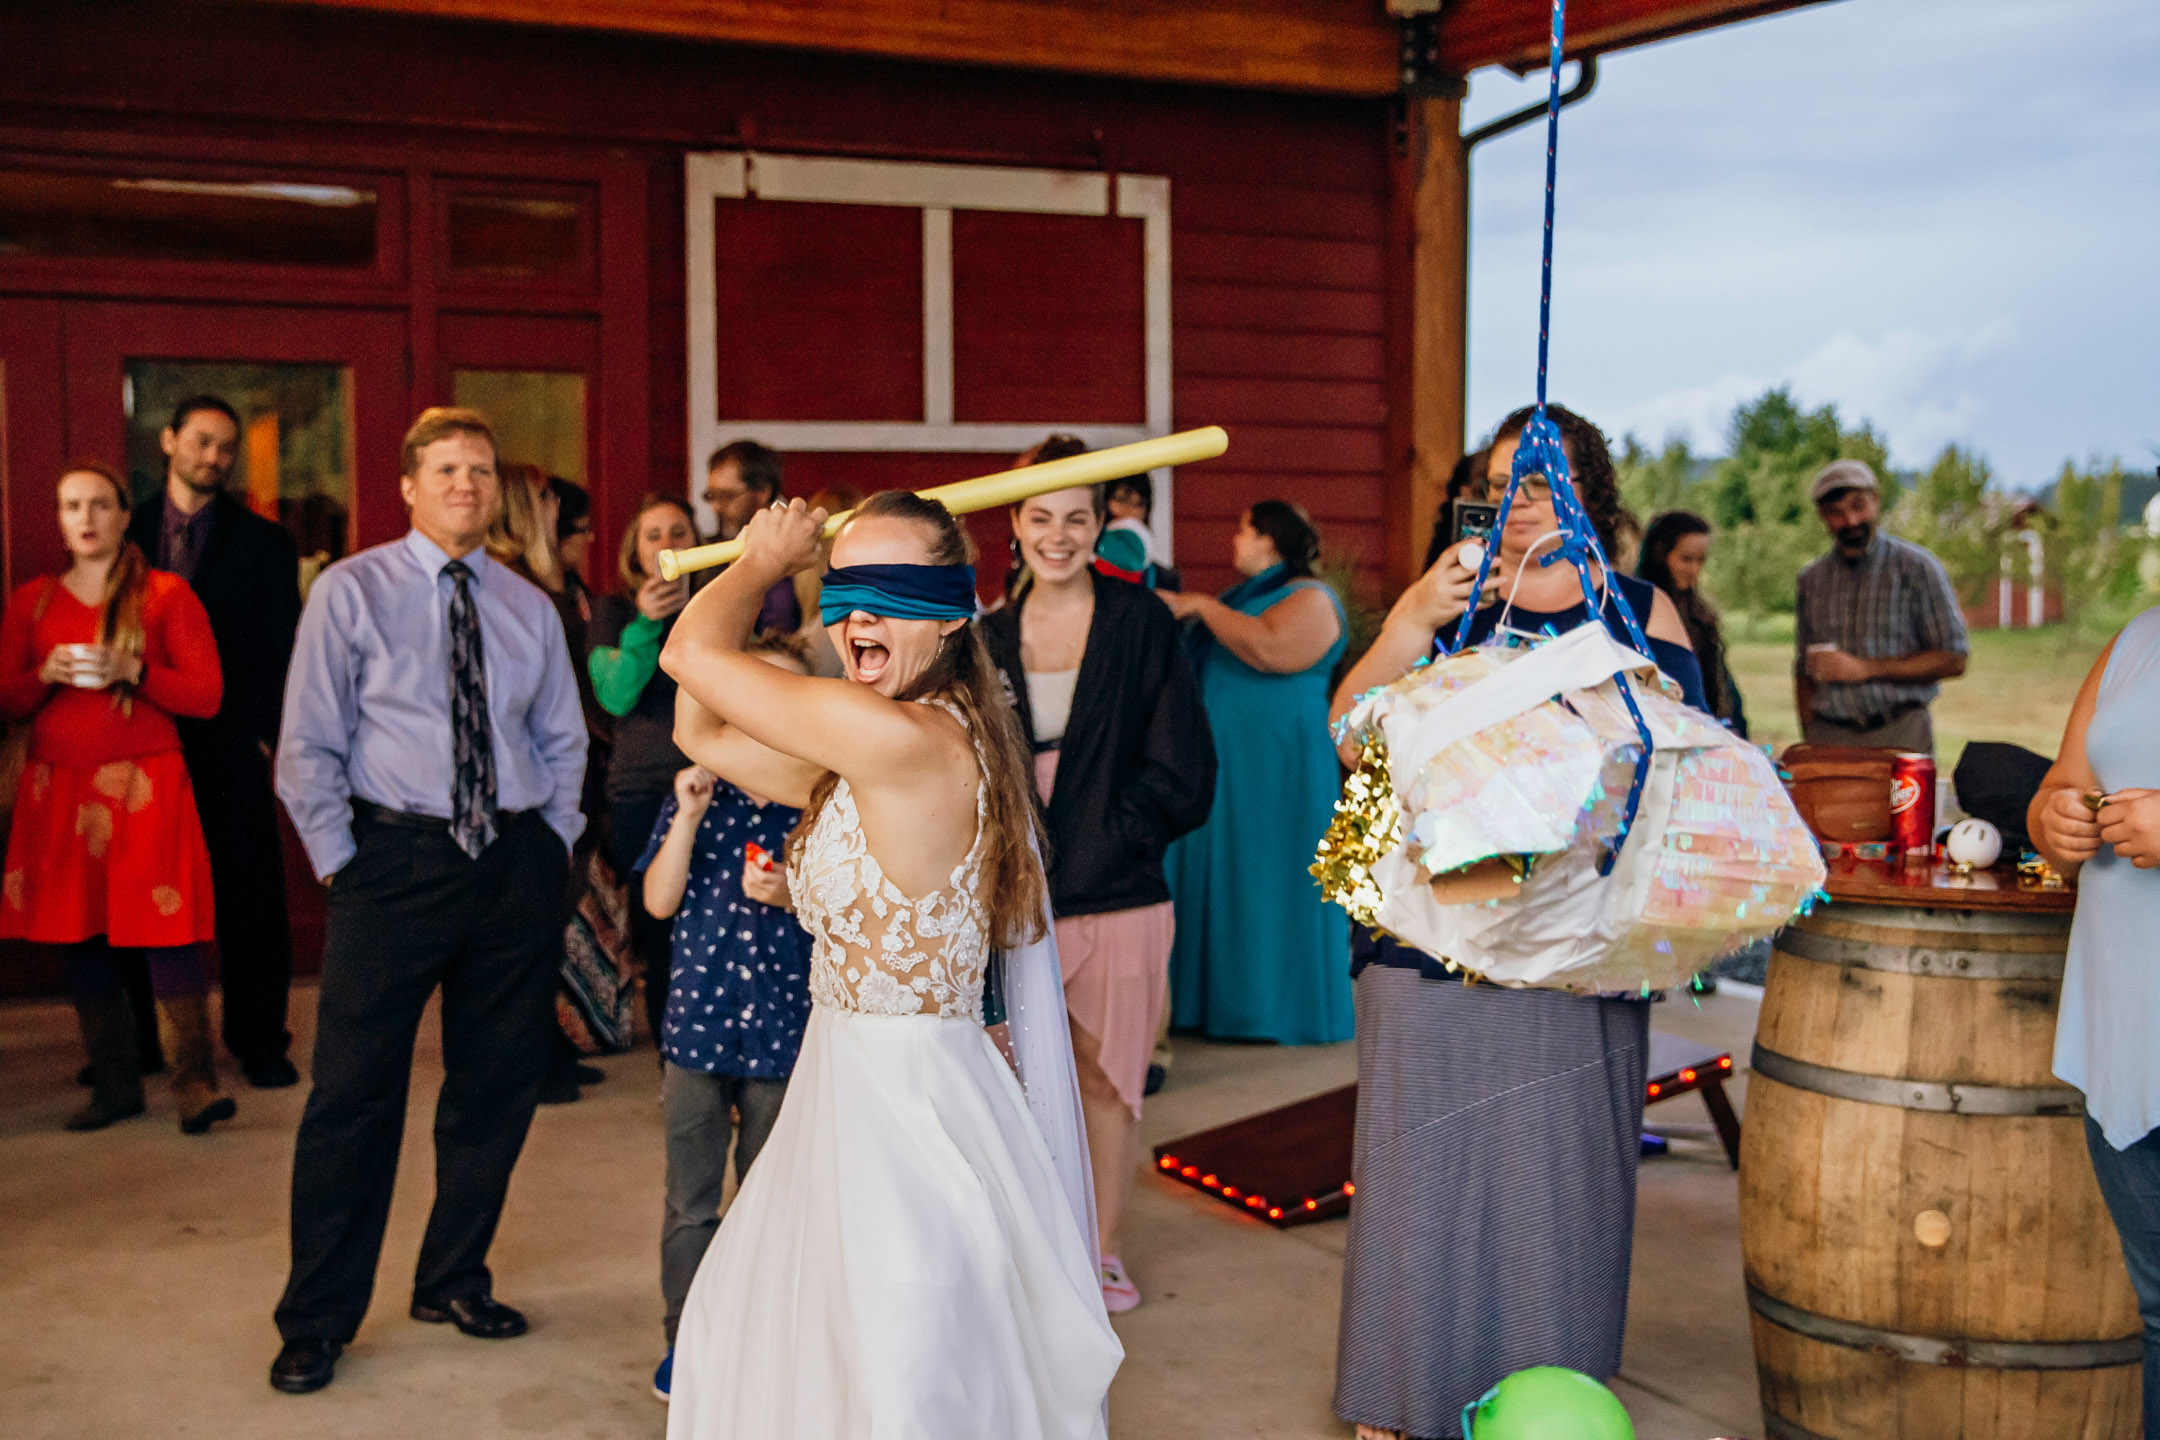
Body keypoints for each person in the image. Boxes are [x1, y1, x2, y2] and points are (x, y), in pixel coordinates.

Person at [660, 488, 1120, 1438]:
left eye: (893, 592)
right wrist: (763, 568)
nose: (860, 613)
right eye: (844, 589)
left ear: (954, 614)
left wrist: (754, 561)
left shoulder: (904, 742)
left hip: (906, 1112)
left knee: (900, 1370)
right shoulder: (877, 752)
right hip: (840, 1084)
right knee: (798, 1346)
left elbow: (691, 655)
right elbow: (699, 727)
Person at [1326, 404, 1702, 1440]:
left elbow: (1688, 761)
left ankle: (1547, 1403)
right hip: (1428, 945)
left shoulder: (1636, 608)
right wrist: (1408, 620)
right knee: (1418, 1178)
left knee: (1557, 1188)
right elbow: (1354, 745)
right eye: (1504, 481)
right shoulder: (1449, 601)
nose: (1520, 497)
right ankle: (1400, 1403)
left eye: (1543, 477)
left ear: (1593, 492)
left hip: (1574, 949)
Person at [269, 407, 585, 1395]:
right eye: (447, 469)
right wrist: (338, 864)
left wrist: (555, 846)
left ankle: (453, 1277)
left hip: (514, 867)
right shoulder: (350, 593)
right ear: (407, 485)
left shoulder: (529, 606)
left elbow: (563, 737)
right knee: (351, 1100)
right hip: (392, 864)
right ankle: (317, 1317)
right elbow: (308, 743)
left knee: (495, 1090)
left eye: (481, 471)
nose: (466, 485)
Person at [980, 476, 1216, 1313]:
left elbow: (1183, 766)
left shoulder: (1141, 621)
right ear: (1015, 524)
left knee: (1109, 1078)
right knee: (1012, 1078)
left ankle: (1102, 1248)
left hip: (1117, 888)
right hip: (1014, 890)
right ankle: (1033, 1243)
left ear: (1101, 526)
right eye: (1040, 517)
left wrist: (1107, 836)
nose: (1058, 535)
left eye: (1076, 518)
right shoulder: (985, 635)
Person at [2, 463, 231, 1134]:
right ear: (59, 517)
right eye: (72, 505)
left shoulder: (165, 595)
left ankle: (194, 1085)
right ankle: (114, 1084)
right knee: (83, 934)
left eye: (101, 504)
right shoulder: (32, 602)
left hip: (146, 783)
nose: (87, 517)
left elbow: (208, 696)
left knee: (169, 931)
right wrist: (43, 673)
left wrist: (135, 669)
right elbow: (6, 698)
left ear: (126, 515)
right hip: (59, 786)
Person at [638, 633, 816, 1404]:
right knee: (692, 1203)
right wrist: (684, 816)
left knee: (776, 1201)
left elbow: (857, 916)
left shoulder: (822, 802)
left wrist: (793, 896)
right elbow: (657, 900)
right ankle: (688, 1342)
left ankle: (766, 1341)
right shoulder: (701, 796)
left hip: (786, 1035)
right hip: (699, 1036)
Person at [123, 394, 305, 1089]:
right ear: (168, 441)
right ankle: (142, 1044)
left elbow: (279, 649)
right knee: (136, 895)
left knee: (250, 895)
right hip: (138, 746)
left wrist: (264, 737)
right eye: (202, 441)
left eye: (226, 447)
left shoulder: (264, 542)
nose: (215, 457)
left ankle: (260, 1040)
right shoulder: (126, 530)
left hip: (228, 744)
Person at [2027, 604, 2160, 1433]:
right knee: (2159, 1313)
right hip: (2127, 1034)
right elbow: (2059, 783)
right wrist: (2056, 819)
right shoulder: (2137, 640)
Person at [1163, 500, 1351, 1047]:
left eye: (1243, 529)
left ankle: (1271, 1010)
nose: (1234, 540)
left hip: (1279, 771)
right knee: (1225, 870)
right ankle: (1212, 1004)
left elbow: (1273, 650)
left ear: (1270, 539)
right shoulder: (1248, 597)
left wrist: (1199, 604)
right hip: (1233, 766)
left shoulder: (1310, 597)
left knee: (1271, 875)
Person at [590, 492, 701, 1044]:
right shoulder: (613, 610)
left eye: (679, 532)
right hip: (640, 786)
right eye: (653, 534)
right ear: (634, 550)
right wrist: (644, 625)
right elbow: (613, 697)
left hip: (710, 777)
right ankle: (671, 1048)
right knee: (657, 927)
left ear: (698, 543)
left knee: (710, 916)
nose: (666, 545)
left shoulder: (713, 600)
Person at [1794, 458, 1968, 753]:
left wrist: (1865, 669)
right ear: (1823, 516)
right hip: (1829, 735)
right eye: (1836, 513)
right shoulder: (1811, 579)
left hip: (1900, 731)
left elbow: (1954, 659)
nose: (1850, 521)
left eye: (1858, 506)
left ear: (1876, 500)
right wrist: (1810, 732)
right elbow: (1803, 669)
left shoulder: (1917, 568)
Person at [1638, 509, 1748, 735]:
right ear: (1660, 555)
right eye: (1686, 559)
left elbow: (1721, 691)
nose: (1694, 570)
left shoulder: (1701, 617)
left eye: (1701, 560)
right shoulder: (1635, 610)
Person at [702, 440, 802, 634]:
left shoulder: (798, 547)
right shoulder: (711, 548)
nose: (716, 506)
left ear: (763, 491)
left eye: (726, 496)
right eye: (711, 496)